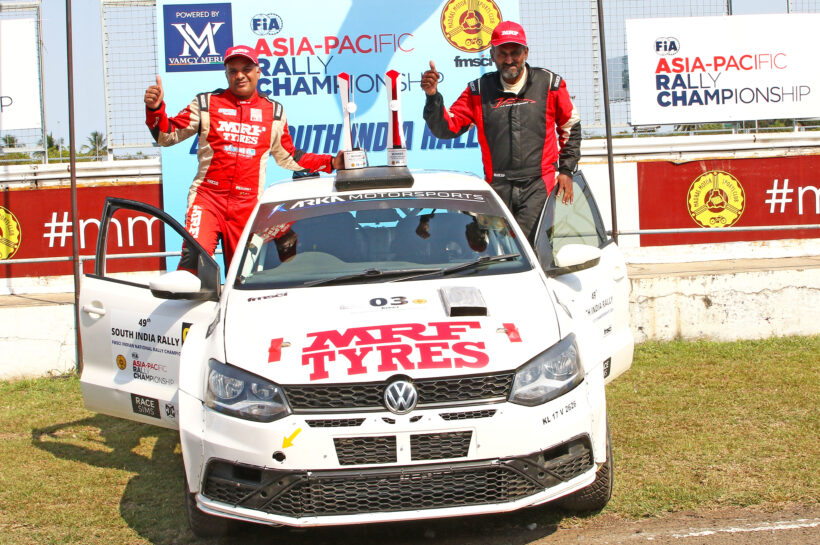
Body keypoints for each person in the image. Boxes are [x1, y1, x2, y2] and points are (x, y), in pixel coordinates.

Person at [144, 45, 344, 270]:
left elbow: (289, 156)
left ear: (258, 71)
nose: (239, 75)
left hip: (247, 205)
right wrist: (155, 109)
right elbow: (166, 135)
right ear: (226, 74)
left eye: (246, 69)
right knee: (194, 262)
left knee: (240, 275)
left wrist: (331, 163)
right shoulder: (206, 104)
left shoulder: (274, 111)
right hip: (208, 199)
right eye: (232, 71)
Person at [421, 21, 581, 244]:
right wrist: (432, 97)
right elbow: (447, 129)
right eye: (502, 53)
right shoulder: (478, 90)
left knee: (531, 247)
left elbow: (570, 127)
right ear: (492, 54)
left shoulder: (550, 84)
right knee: (498, 251)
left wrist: (566, 169)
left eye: (515, 52)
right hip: (497, 186)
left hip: (538, 183)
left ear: (525, 52)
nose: (509, 60)